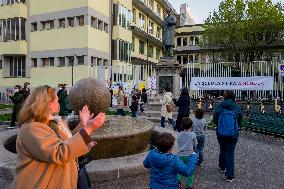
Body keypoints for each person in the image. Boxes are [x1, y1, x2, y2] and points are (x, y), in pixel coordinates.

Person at [12, 85, 106, 189]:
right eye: (56, 100)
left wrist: (84, 124)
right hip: (43, 184)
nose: (59, 102)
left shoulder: (52, 122)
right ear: (47, 103)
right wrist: (88, 129)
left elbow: (69, 141)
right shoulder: (31, 129)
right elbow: (59, 152)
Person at [213, 91, 242, 182]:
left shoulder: (219, 106)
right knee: (230, 152)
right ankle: (230, 176)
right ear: (234, 97)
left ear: (224, 97)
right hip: (233, 133)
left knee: (222, 149)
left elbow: (214, 120)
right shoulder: (237, 107)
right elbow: (240, 119)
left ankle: (222, 167)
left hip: (220, 132)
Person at [177, 118, 198, 189]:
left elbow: (178, 143)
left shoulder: (179, 134)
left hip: (180, 155)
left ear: (181, 125)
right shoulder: (193, 135)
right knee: (190, 170)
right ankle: (189, 185)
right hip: (189, 155)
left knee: (180, 169)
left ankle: (178, 182)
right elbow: (195, 144)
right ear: (191, 126)